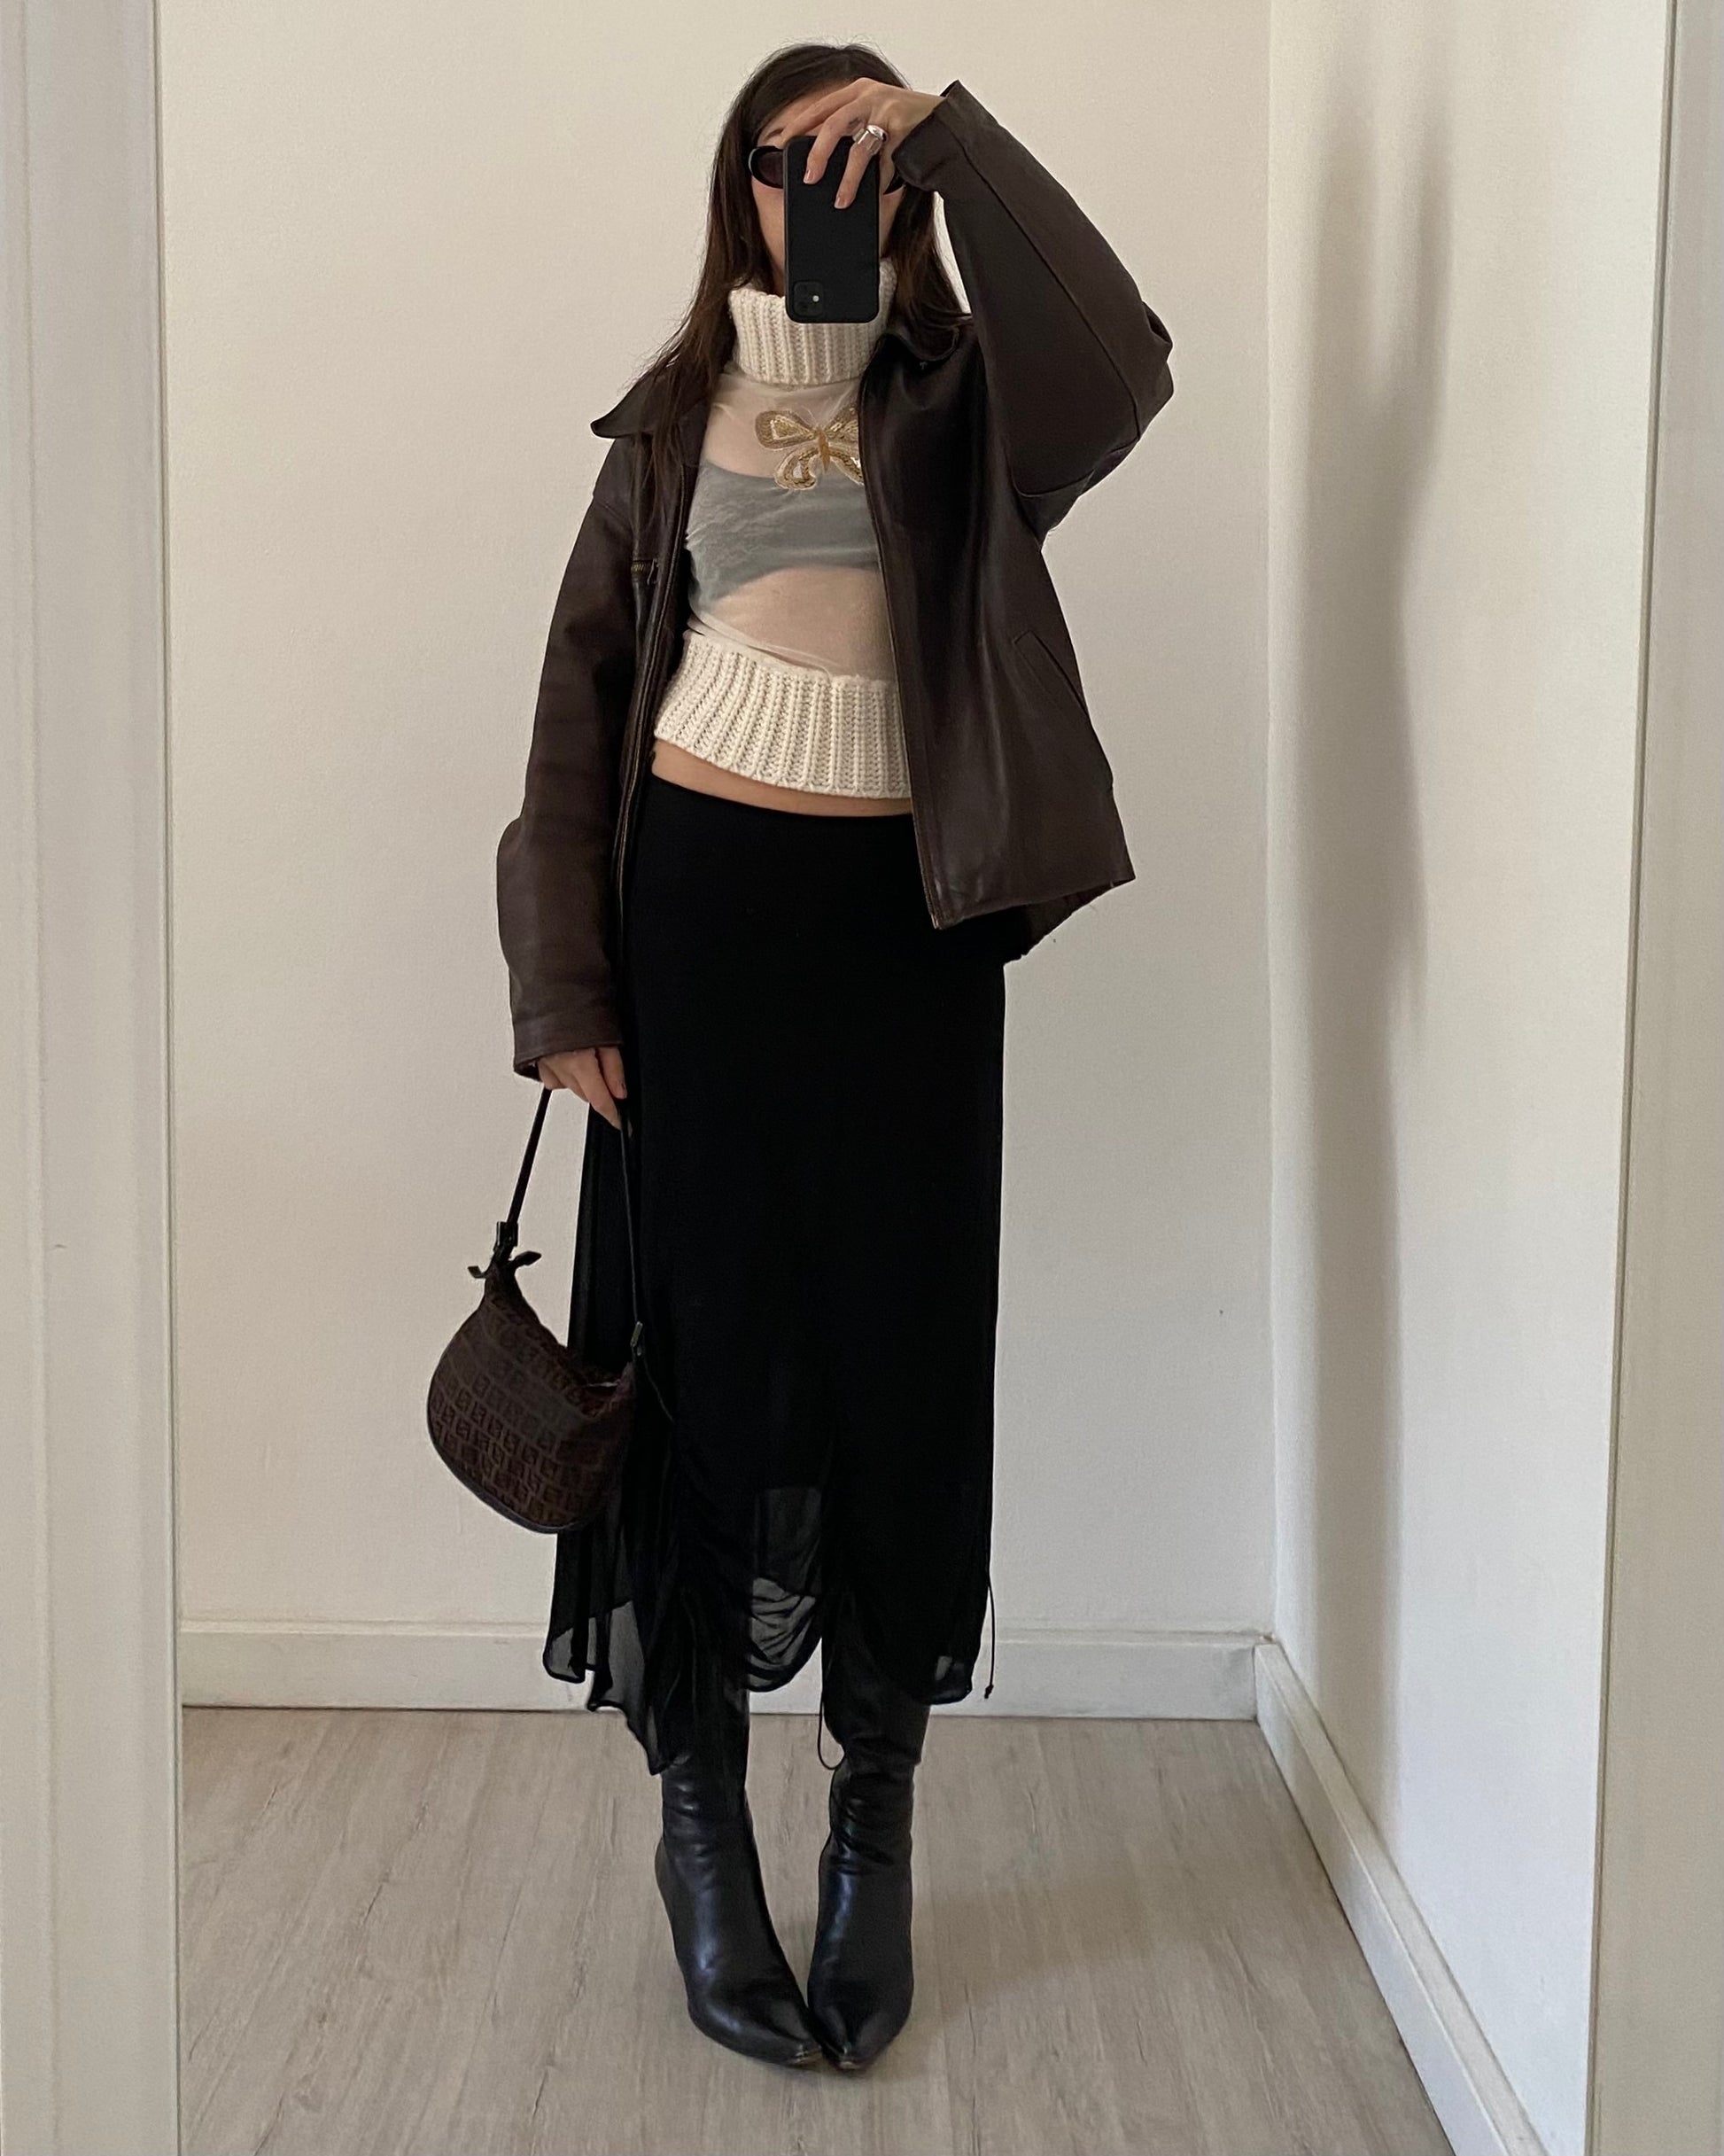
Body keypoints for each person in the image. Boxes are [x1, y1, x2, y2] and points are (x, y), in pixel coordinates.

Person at [495, 43, 1173, 2073]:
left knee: (898, 1360)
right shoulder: (668, 419)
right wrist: (566, 990)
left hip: (905, 946)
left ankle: (873, 1816)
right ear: (737, 187)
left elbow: (1124, 364)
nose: (830, 185)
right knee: (696, 1366)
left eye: (861, 153)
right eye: (793, 158)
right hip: (695, 941)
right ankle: (700, 1818)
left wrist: (950, 139)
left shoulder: (966, 405)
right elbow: (574, 707)